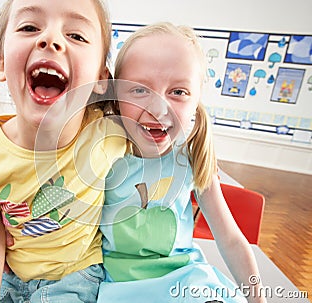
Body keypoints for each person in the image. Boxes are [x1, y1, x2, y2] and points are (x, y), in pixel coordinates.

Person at [0, 0, 126, 302]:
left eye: (76, 35)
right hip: (9, 276)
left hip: (76, 278)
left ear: (101, 79)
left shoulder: (109, 134)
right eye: (29, 27)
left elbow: (163, 126)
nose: (50, 39)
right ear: (0, 64)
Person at [98, 23, 266, 303]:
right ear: (116, 97)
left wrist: (258, 300)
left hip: (186, 285)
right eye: (139, 90)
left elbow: (231, 240)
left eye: (178, 92)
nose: (158, 107)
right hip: (117, 286)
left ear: (196, 101)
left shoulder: (190, 157)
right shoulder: (101, 155)